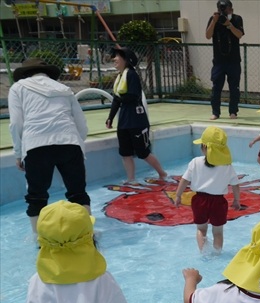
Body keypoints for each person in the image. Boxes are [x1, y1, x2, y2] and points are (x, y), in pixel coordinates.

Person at [8, 58, 91, 233]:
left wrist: (19, 153)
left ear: (25, 73)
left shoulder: (18, 88)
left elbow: (16, 124)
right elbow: (81, 123)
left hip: (36, 145)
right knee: (78, 193)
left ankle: (39, 239)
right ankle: (87, 234)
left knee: (36, 197)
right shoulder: (64, 89)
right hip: (69, 142)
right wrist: (77, 143)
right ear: (47, 72)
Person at [105, 47, 170, 184]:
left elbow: (133, 96)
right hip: (124, 121)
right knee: (125, 152)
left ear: (126, 60)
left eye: (117, 56)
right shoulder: (120, 77)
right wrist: (110, 117)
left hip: (136, 121)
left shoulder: (132, 75)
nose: (114, 59)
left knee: (143, 152)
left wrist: (119, 98)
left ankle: (162, 174)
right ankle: (131, 179)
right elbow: (116, 100)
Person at [174, 126, 242, 253]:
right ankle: (217, 254)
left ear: (204, 147)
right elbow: (235, 185)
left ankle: (203, 253)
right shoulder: (227, 166)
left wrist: (178, 195)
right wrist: (237, 200)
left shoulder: (195, 162)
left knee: (201, 229)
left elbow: (184, 180)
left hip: (200, 200)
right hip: (218, 202)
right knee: (218, 232)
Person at [205, 0, 244, 120]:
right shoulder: (213, 19)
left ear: (231, 9)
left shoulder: (236, 19)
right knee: (216, 88)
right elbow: (208, 35)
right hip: (219, 62)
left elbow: (239, 35)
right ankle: (215, 112)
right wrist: (214, 21)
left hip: (233, 61)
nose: (223, 12)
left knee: (234, 88)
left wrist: (229, 24)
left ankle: (233, 112)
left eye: (225, 9)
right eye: (220, 9)